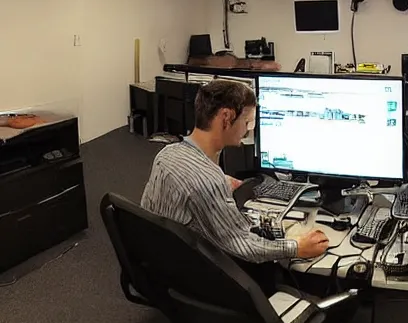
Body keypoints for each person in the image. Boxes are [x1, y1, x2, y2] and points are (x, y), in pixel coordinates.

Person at [141, 79, 330, 292]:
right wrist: (297, 247)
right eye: (247, 122)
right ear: (226, 117)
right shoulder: (207, 181)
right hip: (191, 276)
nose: (248, 131)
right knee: (270, 264)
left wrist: (220, 181)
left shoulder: (167, 154)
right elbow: (244, 245)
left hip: (159, 261)